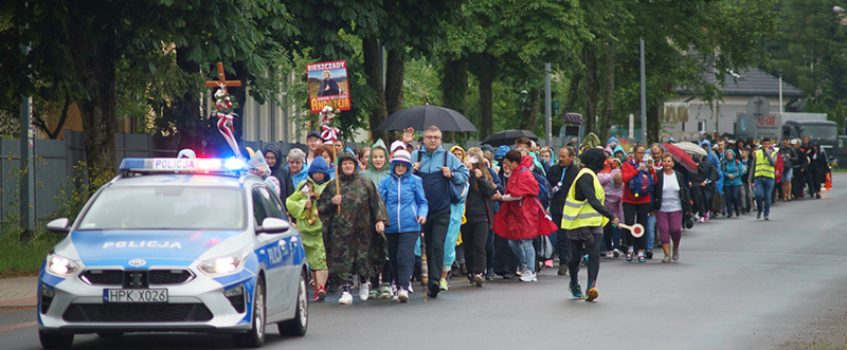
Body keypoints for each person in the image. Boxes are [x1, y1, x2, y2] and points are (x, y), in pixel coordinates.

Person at [318, 154, 388, 305]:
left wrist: (380, 219)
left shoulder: (366, 183)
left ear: (355, 165)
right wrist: (332, 202)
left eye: (350, 163)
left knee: (363, 258)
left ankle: (364, 282)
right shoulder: (333, 185)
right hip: (341, 231)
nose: (348, 166)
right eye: (345, 164)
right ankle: (346, 290)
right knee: (344, 260)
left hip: (364, 229)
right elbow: (321, 207)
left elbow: (376, 202)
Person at [411, 126, 469, 298]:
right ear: (423, 139)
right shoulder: (416, 156)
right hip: (421, 209)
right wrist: (412, 170)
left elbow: (465, 175)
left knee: (438, 244)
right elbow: (400, 175)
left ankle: (435, 281)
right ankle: (424, 280)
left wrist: (451, 173)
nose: (433, 140)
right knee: (425, 246)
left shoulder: (448, 157)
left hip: (442, 209)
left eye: (436, 137)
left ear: (441, 139)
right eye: (429, 137)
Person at [560, 148, 619, 301]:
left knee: (594, 255)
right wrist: (610, 215)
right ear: (596, 161)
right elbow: (592, 200)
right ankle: (574, 283)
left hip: (594, 222)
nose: (605, 162)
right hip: (577, 222)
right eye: (603, 160)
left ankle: (591, 287)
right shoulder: (585, 176)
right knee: (574, 258)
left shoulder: (592, 175)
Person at [492, 150, 558, 282]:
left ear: (514, 163)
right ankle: (525, 266)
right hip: (520, 211)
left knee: (526, 241)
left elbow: (519, 194)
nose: (506, 166)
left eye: (507, 163)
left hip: (526, 211)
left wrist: (501, 197)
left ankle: (530, 270)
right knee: (514, 240)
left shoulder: (523, 173)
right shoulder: (520, 172)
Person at [378, 150, 428, 303]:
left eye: (403, 165)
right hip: (391, 225)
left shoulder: (415, 181)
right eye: (397, 165)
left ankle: (403, 288)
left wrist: (422, 214)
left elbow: (422, 202)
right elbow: (380, 203)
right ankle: (397, 284)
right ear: (393, 166)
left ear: (408, 166)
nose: (400, 168)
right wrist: (380, 219)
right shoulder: (386, 182)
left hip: (410, 225)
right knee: (393, 257)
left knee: (404, 256)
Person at [286, 157, 333, 301]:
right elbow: (290, 201)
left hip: (321, 228)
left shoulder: (330, 187)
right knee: (312, 261)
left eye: (321, 173)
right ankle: (318, 288)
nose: (318, 175)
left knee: (321, 259)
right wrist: (303, 205)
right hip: (305, 229)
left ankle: (320, 287)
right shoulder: (305, 186)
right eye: (316, 173)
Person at [461, 147, 498, 286]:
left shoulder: (485, 174)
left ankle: (479, 272)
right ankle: (470, 272)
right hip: (466, 215)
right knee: (468, 246)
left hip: (482, 215)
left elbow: (490, 191)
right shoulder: (464, 173)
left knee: (479, 245)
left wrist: (480, 178)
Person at [361, 139, 392, 299]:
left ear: (386, 158)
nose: (378, 160)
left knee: (387, 250)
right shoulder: (364, 175)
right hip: (369, 218)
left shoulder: (391, 174)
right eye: (375, 157)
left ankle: (386, 282)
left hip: (388, 218)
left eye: (381, 157)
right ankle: (373, 283)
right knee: (372, 251)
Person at [621, 144, 656, 263]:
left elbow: (655, 181)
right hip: (629, 199)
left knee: (642, 224)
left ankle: (641, 250)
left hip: (644, 199)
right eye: (639, 153)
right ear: (634, 153)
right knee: (630, 224)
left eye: (643, 153)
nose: (641, 155)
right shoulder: (627, 165)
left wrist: (651, 170)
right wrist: (637, 170)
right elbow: (625, 178)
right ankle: (630, 248)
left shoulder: (647, 165)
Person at [546, 146, 578, 276]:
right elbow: (547, 185)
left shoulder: (576, 172)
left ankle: (571, 260)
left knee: (569, 235)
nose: (561, 159)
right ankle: (563, 262)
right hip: (557, 206)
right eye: (560, 156)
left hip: (571, 208)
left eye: (564, 156)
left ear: (571, 158)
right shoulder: (554, 169)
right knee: (560, 235)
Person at [652, 154, 690, 263]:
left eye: (669, 161)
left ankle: (676, 248)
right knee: (664, 231)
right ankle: (667, 255)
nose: (666, 163)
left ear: (673, 163)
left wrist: (688, 206)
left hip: (676, 207)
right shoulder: (658, 175)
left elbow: (684, 190)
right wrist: (652, 207)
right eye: (664, 161)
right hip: (661, 208)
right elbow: (654, 191)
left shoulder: (678, 175)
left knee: (675, 230)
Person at [441, 146, 469, 291]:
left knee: (449, 244)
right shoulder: (438, 169)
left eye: (460, 154)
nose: (457, 156)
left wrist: (451, 175)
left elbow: (462, 193)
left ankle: (443, 276)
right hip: (438, 210)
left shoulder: (462, 172)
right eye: (454, 154)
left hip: (455, 213)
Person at [598, 152, 623, 258]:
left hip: (615, 212)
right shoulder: (606, 181)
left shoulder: (623, 186)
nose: (618, 183)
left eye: (619, 182)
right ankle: (608, 248)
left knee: (615, 228)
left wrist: (621, 219)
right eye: (616, 181)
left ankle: (616, 247)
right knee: (607, 230)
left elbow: (621, 202)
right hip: (606, 210)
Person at [749, 138, 777, 220]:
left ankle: (766, 213)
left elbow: (773, 163)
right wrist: (750, 178)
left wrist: (768, 154)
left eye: (768, 144)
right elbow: (753, 166)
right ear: (762, 144)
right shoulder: (757, 153)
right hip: (758, 177)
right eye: (764, 144)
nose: (766, 146)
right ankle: (759, 210)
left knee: (768, 197)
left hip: (769, 178)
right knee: (758, 194)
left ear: (770, 144)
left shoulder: (774, 153)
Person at [722, 149, 744, 218]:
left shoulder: (737, 162)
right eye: (728, 155)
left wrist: (734, 175)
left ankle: (737, 209)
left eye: (730, 155)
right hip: (727, 183)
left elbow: (741, 172)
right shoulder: (724, 163)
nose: (729, 156)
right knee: (728, 198)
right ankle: (730, 212)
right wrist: (727, 175)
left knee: (735, 197)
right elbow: (722, 172)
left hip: (736, 182)